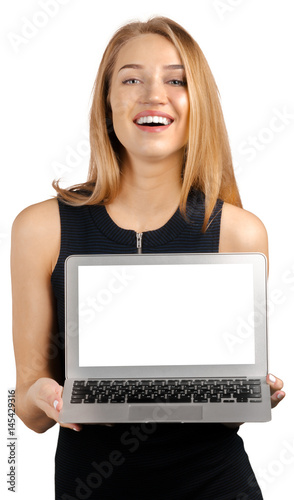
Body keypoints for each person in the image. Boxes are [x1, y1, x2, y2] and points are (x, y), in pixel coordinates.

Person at [11, 16, 285, 500]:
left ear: (195, 102)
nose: (153, 95)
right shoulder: (40, 229)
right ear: (108, 102)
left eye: (176, 80)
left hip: (215, 484)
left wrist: (251, 391)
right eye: (131, 78)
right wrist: (43, 397)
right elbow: (29, 412)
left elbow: (229, 413)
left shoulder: (241, 233)